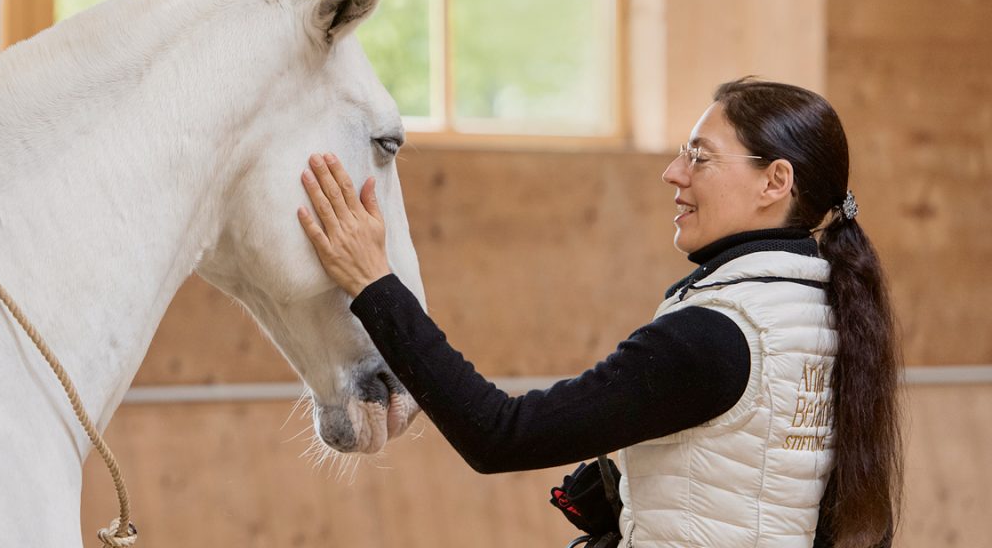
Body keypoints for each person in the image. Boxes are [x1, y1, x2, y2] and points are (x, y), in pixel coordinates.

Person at [296, 78, 901, 547]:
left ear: (775, 182)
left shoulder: (717, 335)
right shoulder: (824, 312)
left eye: (700, 156)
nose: (673, 173)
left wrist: (373, 283)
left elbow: (500, 434)